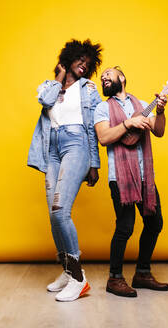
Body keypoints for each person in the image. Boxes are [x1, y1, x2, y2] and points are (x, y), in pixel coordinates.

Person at [27, 39, 102, 302]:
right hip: (52, 150)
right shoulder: (49, 87)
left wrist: (94, 163)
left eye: (88, 64)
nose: (84, 65)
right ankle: (68, 272)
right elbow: (45, 101)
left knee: (61, 211)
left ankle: (79, 279)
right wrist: (59, 75)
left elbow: (93, 126)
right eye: (81, 60)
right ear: (69, 59)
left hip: (76, 145)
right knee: (52, 215)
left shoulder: (89, 89)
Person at [94, 67, 168, 298]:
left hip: (145, 176)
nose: (104, 78)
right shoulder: (102, 107)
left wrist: (160, 110)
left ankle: (142, 274)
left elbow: (159, 131)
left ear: (122, 78)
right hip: (121, 177)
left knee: (154, 223)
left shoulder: (142, 104)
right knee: (125, 227)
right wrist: (129, 124)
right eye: (102, 77)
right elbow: (104, 137)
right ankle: (114, 278)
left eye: (108, 74)